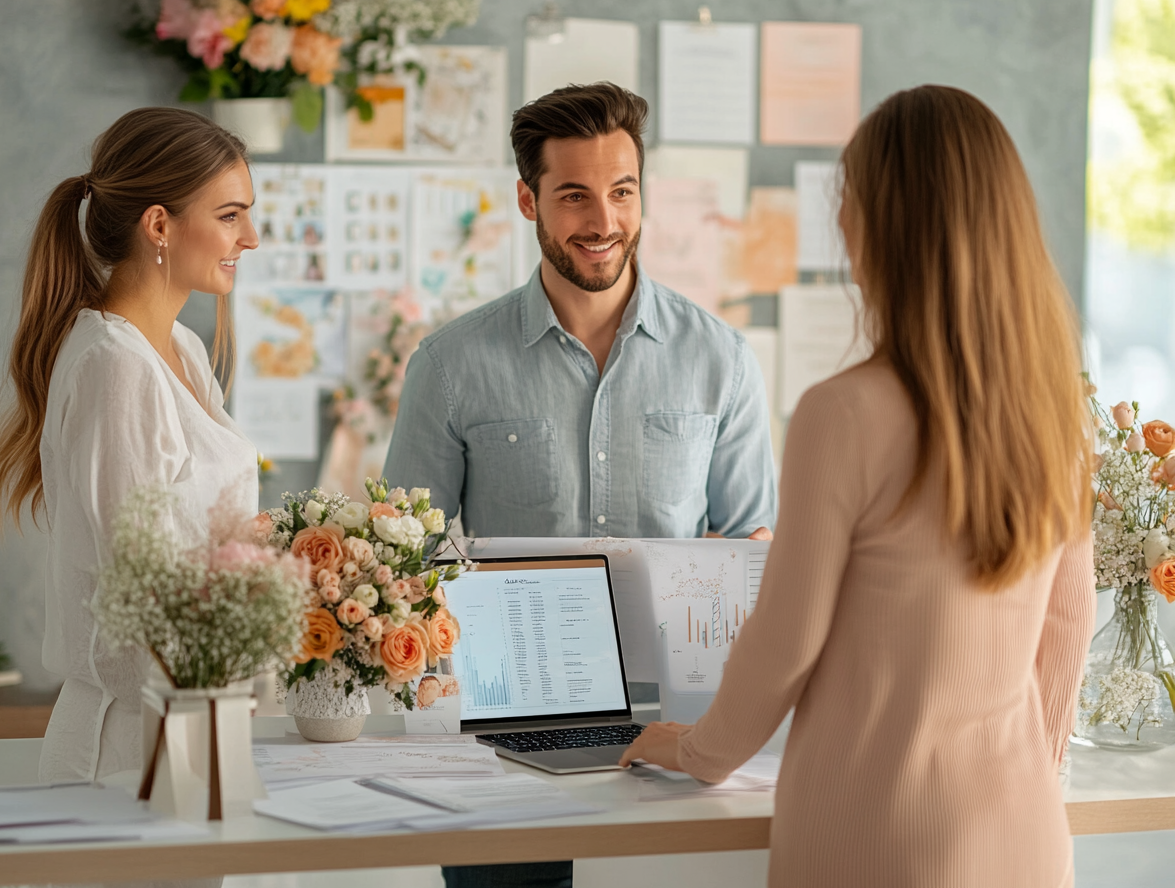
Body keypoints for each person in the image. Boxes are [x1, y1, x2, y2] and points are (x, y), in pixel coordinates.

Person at [620, 85, 1097, 888]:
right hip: (1025, 834)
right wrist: (1029, 778)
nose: (841, 222)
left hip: (875, 833)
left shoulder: (841, 415)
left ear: (881, 226)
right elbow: (1066, 627)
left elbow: (786, 641)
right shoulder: (1056, 414)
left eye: (850, 199)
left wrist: (698, 751)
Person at [384, 83, 776, 888]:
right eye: (574, 196)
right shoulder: (450, 366)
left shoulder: (722, 360)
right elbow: (403, 563)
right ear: (528, 199)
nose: (603, 222)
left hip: (681, 744)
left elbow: (755, 555)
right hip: (503, 753)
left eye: (622, 192)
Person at [0, 107, 260, 784]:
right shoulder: (116, 364)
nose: (250, 237)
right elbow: (140, 588)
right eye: (230, 215)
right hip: (127, 743)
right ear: (160, 225)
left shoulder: (186, 353)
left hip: (191, 720)